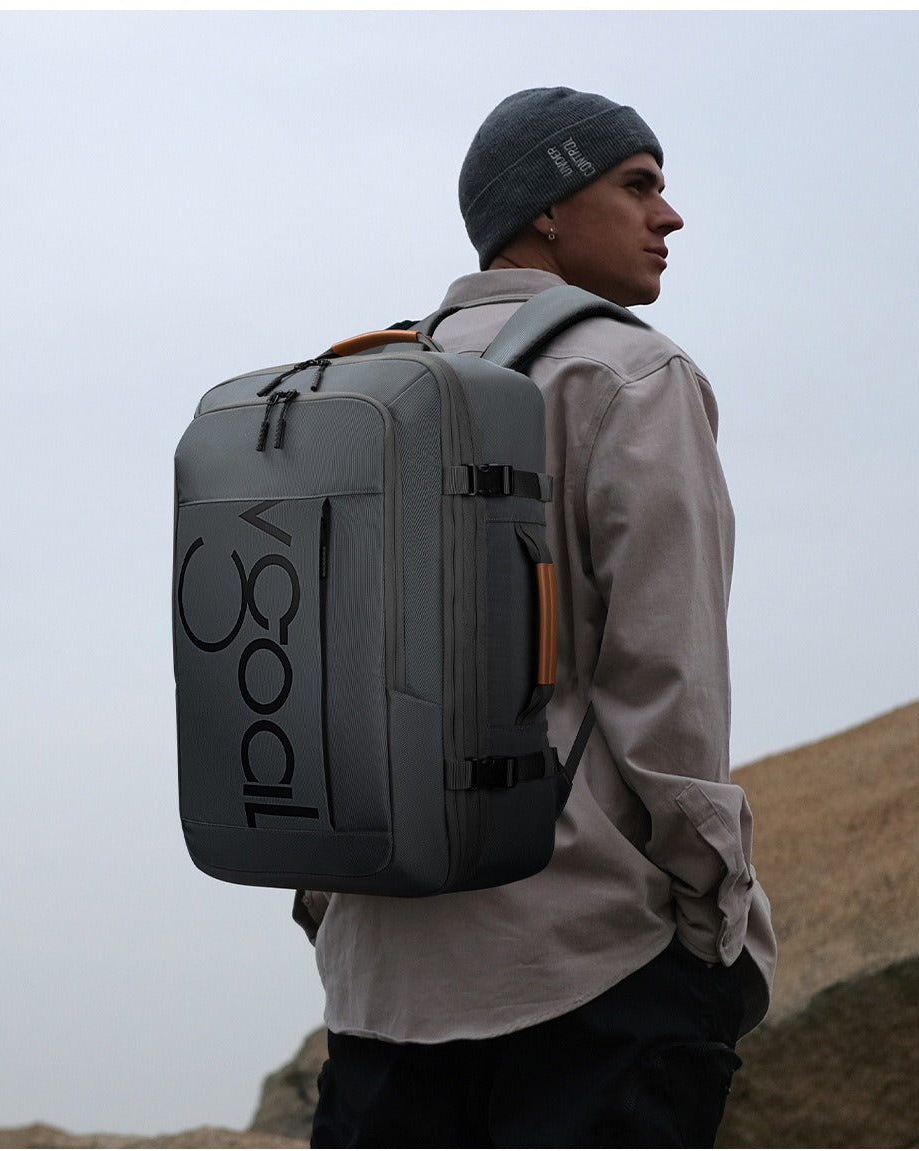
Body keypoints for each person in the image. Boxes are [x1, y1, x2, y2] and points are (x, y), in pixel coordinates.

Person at [293, 85, 776, 1148]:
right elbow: (669, 684)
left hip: (381, 987)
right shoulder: (632, 374)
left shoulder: (358, 385)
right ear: (546, 209)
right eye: (638, 185)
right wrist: (713, 924)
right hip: (587, 972)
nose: (669, 215)